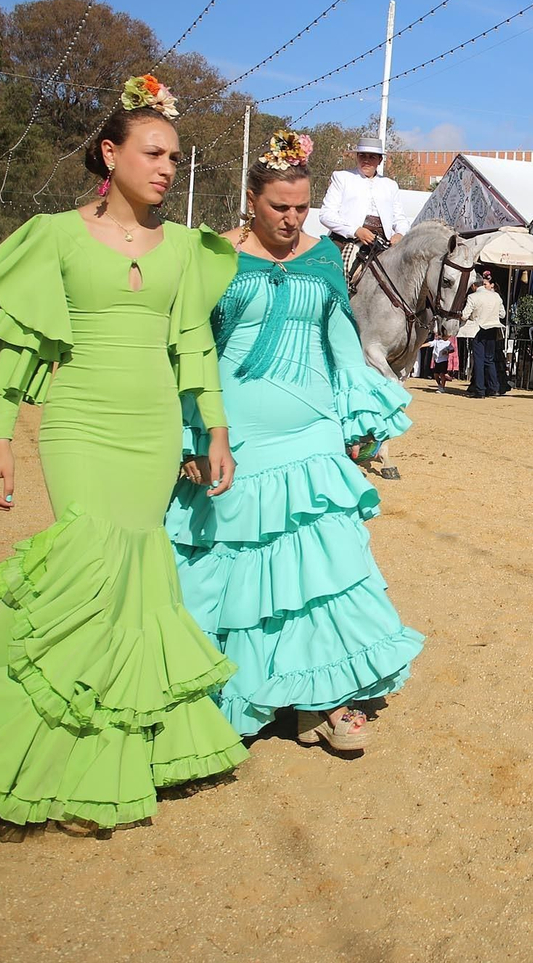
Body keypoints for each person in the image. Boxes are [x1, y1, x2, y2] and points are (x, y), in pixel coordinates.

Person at [0, 75, 248, 829]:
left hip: (148, 432)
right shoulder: (55, 235)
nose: (167, 167)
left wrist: (215, 432)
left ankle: (105, 761)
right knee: (82, 571)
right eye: (152, 152)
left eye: (174, 155)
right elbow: (23, 345)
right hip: (77, 425)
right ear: (110, 153)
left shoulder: (184, 249)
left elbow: (195, 346)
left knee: (131, 585)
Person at [168, 129, 422, 754]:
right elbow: (189, 349)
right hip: (233, 438)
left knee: (320, 572)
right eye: (279, 206)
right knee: (240, 574)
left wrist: (359, 423)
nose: (291, 219)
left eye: (301, 207)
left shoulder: (321, 258)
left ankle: (325, 698)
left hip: (310, 435)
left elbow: (341, 345)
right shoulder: (215, 255)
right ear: (250, 199)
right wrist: (188, 434)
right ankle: (246, 689)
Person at [316, 137, 410, 284]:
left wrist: (400, 233)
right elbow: (326, 214)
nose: (366, 160)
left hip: (383, 241)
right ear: (357, 157)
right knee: (339, 272)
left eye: (372, 157)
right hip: (348, 238)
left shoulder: (390, 185)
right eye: (362, 156)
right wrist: (355, 230)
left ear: (379, 160)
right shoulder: (342, 177)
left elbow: (400, 218)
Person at [461, 273, 506, 398]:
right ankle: (494, 388)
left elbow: (465, 315)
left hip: (478, 329)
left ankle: (480, 390)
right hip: (493, 328)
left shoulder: (473, 297)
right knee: (489, 359)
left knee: (479, 360)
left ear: (474, 285)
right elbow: (502, 314)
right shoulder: (495, 296)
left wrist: (470, 317)